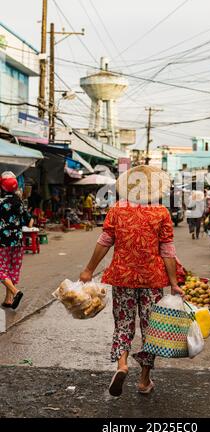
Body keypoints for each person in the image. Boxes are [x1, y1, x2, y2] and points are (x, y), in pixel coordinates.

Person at [79, 165, 183, 397]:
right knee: (151, 330)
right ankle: (144, 380)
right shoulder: (161, 213)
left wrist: (88, 269)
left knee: (123, 325)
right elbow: (167, 250)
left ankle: (122, 365)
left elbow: (104, 241)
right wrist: (174, 283)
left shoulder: (117, 209)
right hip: (152, 280)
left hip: (122, 277)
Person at [0, 172, 33, 309]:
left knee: (2, 269)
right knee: (13, 269)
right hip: (18, 241)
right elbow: (29, 220)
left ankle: (15, 292)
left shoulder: (1, 203)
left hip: (2, 242)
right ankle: (8, 300)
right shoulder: (19, 202)